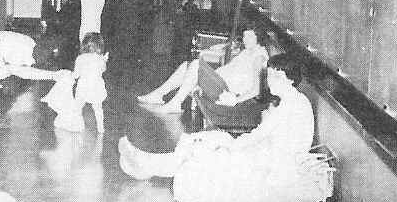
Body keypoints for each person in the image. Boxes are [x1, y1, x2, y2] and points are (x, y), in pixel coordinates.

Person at [120, 54, 314, 188]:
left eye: (277, 76)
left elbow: (260, 136)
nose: (271, 80)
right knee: (207, 140)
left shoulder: (291, 104)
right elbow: (265, 136)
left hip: (272, 165)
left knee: (205, 149)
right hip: (267, 155)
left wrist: (231, 146)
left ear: (291, 79)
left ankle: (147, 164)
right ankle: (147, 163)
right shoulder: (292, 99)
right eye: (270, 75)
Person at [137, 26, 269, 113]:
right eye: (244, 36)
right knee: (186, 65)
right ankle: (159, 94)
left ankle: (175, 103)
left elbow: (256, 89)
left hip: (225, 91)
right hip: (219, 82)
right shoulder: (248, 51)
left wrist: (235, 100)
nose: (245, 40)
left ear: (258, 38)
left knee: (196, 64)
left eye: (249, 37)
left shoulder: (259, 57)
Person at [41, 32, 108, 133]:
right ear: (100, 46)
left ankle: (76, 124)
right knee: (98, 109)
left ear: (84, 45)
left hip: (83, 88)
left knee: (77, 108)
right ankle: (100, 128)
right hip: (96, 87)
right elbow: (103, 70)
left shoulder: (80, 58)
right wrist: (104, 60)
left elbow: (76, 75)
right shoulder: (100, 59)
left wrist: (68, 75)